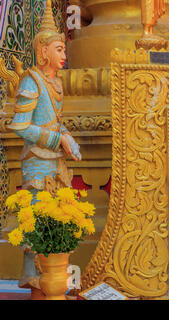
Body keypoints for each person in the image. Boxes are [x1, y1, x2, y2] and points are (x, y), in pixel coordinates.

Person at [6, 0, 81, 294]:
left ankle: (54, 279)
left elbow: (54, 121)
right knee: (36, 221)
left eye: (63, 49)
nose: (63, 54)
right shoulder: (31, 81)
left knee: (57, 219)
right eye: (59, 49)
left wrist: (67, 138)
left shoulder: (55, 82)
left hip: (55, 160)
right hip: (37, 160)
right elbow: (20, 126)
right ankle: (35, 279)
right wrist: (56, 139)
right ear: (43, 51)